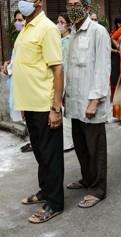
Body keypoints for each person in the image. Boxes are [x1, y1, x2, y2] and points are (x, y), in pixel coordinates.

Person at [13, 0, 64, 224]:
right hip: (30, 105)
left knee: (51, 155)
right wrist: (23, 105)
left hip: (45, 106)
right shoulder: (26, 27)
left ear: (40, 0)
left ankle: (55, 203)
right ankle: (45, 190)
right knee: (41, 155)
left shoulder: (47, 28)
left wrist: (55, 108)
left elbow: (57, 69)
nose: (22, 1)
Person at [63, 0, 111, 209]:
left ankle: (98, 188)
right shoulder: (71, 32)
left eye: (76, 5)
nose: (72, 9)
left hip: (91, 102)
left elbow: (103, 68)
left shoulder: (98, 32)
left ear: (87, 7)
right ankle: (87, 179)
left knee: (95, 148)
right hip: (74, 101)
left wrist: (94, 100)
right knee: (81, 146)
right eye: (69, 5)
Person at [3, 11, 29, 152]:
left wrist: (10, 66)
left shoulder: (28, 38)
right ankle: (31, 139)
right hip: (15, 80)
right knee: (23, 114)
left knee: (27, 113)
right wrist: (8, 63)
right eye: (16, 20)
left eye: (21, 19)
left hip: (24, 81)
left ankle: (33, 142)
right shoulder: (19, 37)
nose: (18, 22)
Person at [57, 13, 74, 152]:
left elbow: (67, 64)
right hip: (58, 77)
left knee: (65, 110)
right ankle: (65, 140)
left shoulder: (68, 41)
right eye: (58, 22)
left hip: (65, 77)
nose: (59, 25)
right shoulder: (59, 40)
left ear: (68, 24)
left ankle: (68, 142)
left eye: (62, 22)